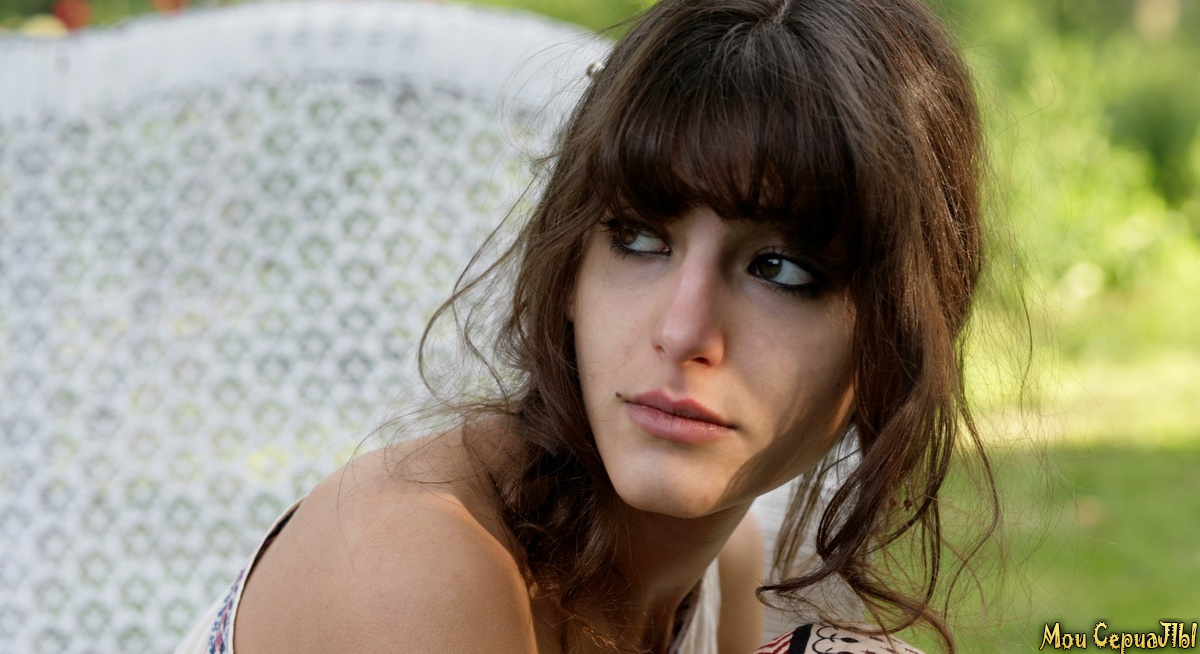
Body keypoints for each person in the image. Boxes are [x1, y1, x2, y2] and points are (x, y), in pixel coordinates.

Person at [176, 0, 997, 651]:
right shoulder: (415, 562)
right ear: (570, 268)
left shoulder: (723, 568)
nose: (683, 332)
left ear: (897, 338)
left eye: (779, 268)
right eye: (638, 237)